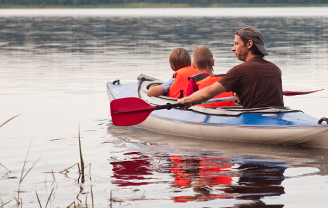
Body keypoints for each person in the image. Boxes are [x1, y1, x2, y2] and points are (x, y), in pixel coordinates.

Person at [178, 26, 284, 109]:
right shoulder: (275, 69)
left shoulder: (240, 70)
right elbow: (263, 101)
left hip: (258, 121)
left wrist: (185, 100)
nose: (233, 49)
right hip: (278, 116)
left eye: (236, 44)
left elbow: (207, 93)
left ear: (249, 44)